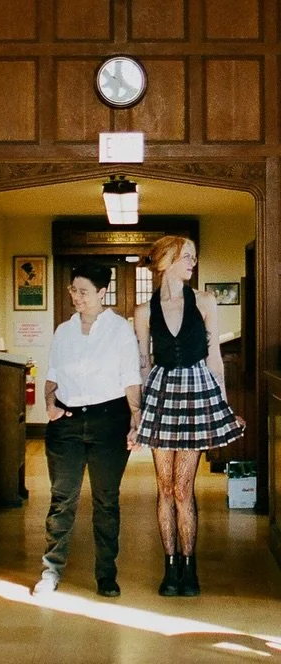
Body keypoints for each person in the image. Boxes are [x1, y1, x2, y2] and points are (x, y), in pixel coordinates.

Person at [133, 235, 244, 596]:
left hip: (197, 391)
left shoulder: (205, 301)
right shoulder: (144, 311)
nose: (192, 262)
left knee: (183, 489)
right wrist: (138, 414)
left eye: (194, 256)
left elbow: (214, 358)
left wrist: (224, 408)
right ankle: (170, 567)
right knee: (164, 488)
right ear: (166, 261)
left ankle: (189, 566)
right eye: (186, 256)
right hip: (161, 394)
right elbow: (143, 363)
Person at [32, 263, 142, 599]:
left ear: (101, 293)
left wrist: (136, 419)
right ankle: (50, 572)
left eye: (83, 292)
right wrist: (49, 403)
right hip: (66, 422)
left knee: (106, 501)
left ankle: (106, 574)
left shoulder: (120, 330)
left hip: (109, 422)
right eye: (73, 290)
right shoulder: (64, 331)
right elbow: (52, 375)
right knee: (61, 499)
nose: (76, 297)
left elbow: (130, 378)